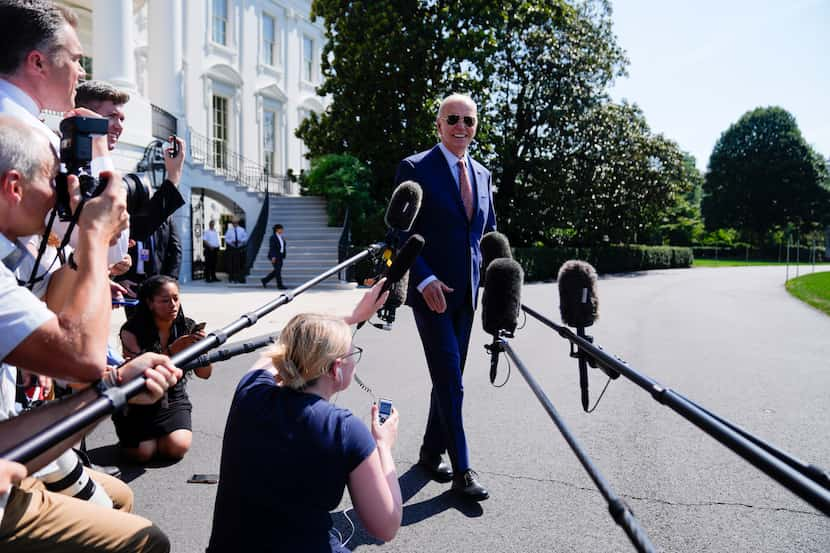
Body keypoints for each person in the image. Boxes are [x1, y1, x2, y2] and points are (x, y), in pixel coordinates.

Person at [0, 113, 180, 551]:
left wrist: (115, 383)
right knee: (147, 540)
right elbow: (82, 357)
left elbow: (59, 309)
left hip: (7, 441)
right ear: (13, 187)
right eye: (51, 179)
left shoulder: (18, 255)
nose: (59, 195)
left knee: (121, 496)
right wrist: (95, 237)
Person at [207, 281, 401, 553]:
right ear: (336, 369)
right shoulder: (344, 429)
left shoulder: (250, 393)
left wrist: (354, 318)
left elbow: (275, 352)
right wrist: (384, 446)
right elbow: (387, 525)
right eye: (352, 353)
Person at [395, 93, 496, 501]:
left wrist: (502, 293)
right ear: (438, 125)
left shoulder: (485, 175)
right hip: (431, 296)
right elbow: (397, 233)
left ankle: (428, 454)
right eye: (452, 119)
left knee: (446, 380)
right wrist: (423, 279)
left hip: (467, 299)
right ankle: (462, 471)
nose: (460, 126)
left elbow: (488, 238)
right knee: (452, 382)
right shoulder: (415, 168)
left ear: (475, 127)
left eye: (468, 121)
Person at [115, 275, 211, 462]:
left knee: (176, 448)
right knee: (143, 454)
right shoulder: (131, 330)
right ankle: (129, 436)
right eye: (165, 300)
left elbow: (205, 374)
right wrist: (173, 350)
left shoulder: (187, 326)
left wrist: (202, 350)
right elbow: (139, 375)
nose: (173, 305)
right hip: (138, 400)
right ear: (150, 303)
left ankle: (160, 436)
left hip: (173, 397)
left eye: (176, 298)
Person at [261, 223, 287, 289]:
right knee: (278, 271)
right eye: (281, 229)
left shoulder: (280, 236)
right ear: (277, 229)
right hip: (275, 256)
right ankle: (280, 285)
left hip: (280, 256)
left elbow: (282, 246)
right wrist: (273, 257)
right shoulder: (273, 237)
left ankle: (265, 280)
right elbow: (272, 247)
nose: (282, 230)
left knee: (277, 271)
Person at [223, 219, 247, 283]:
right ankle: (231, 278)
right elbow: (226, 239)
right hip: (232, 248)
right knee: (231, 264)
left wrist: (241, 241)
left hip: (239, 248)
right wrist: (231, 241)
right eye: (233, 223)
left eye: (235, 223)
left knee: (239, 264)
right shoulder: (229, 230)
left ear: (237, 223)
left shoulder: (242, 230)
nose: (234, 224)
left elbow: (245, 238)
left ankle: (239, 278)